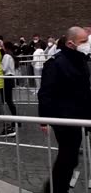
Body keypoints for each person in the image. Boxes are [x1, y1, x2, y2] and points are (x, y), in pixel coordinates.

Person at [38, 26, 91, 193]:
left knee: (70, 157)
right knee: (68, 157)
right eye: (83, 41)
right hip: (64, 118)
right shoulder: (56, 63)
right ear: (70, 43)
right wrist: (44, 119)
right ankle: (54, 189)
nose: (87, 44)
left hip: (80, 115)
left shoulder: (81, 59)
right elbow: (45, 92)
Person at [0, 41, 19, 137]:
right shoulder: (10, 55)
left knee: (6, 100)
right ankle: (16, 120)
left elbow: (3, 68)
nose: (1, 47)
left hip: (7, 79)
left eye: (2, 46)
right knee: (7, 100)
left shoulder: (6, 56)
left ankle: (15, 120)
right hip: (9, 78)